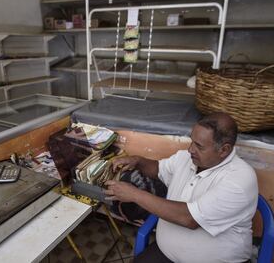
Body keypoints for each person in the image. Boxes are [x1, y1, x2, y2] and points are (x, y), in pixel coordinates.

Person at [104, 113, 258, 263]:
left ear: (224, 150)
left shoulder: (239, 179)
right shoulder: (186, 158)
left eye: (199, 146)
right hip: (166, 252)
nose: (190, 149)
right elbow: (158, 169)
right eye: (192, 141)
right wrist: (137, 161)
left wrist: (135, 195)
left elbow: (189, 218)